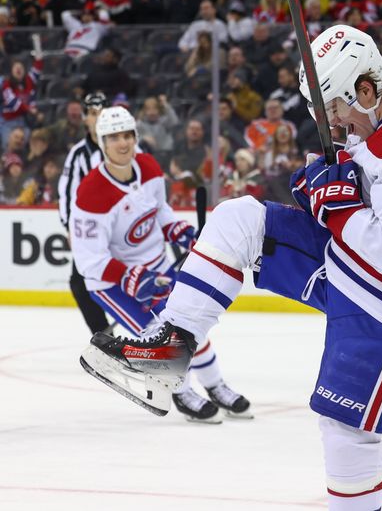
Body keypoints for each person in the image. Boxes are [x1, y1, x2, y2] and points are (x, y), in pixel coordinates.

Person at [80, 25, 382, 510]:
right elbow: (358, 197)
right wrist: (321, 189)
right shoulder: (379, 122)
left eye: (334, 109)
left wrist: (336, 205)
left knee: (344, 428)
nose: (332, 125)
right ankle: (172, 348)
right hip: (361, 268)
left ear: (367, 89)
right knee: (238, 219)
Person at [70, 106, 252, 424]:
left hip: (158, 265)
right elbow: (89, 261)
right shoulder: (90, 194)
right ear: (102, 142)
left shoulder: (148, 165)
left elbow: (160, 211)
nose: (123, 143)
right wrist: (129, 276)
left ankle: (215, 385)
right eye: (114, 137)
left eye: (128, 135)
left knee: (190, 325)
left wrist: (179, 232)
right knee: (160, 336)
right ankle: (181, 393)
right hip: (112, 282)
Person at [58, 92, 113, 337]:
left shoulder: (126, 145)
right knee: (80, 284)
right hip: (90, 231)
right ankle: (104, 336)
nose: (97, 117)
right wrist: (69, 227)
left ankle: (155, 331)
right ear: (85, 118)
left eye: (101, 112)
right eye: (92, 113)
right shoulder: (78, 154)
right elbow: (67, 192)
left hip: (126, 228)